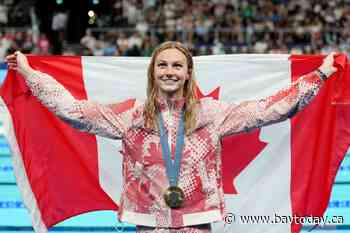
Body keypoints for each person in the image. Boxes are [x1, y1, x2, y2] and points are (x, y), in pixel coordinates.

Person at [6, 41, 337, 233]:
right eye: (162, 64)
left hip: (198, 220)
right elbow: (73, 111)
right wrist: (29, 72)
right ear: (152, 72)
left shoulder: (211, 114)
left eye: (177, 65)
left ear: (188, 72)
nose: (169, 71)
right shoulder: (131, 116)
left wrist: (320, 75)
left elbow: (271, 109)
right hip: (147, 222)